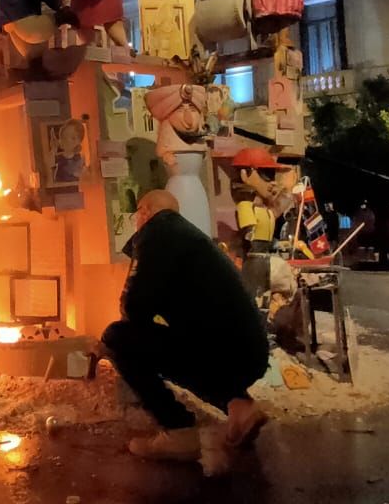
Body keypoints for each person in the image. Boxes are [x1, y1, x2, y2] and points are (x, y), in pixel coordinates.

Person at [102, 190, 269, 465]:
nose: (136, 222)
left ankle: (178, 431)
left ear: (145, 212)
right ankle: (240, 406)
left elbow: (135, 307)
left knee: (117, 337)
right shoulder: (187, 237)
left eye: (137, 215)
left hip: (225, 353)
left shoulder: (157, 234)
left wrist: (120, 342)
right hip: (248, 354)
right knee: (178, 342)